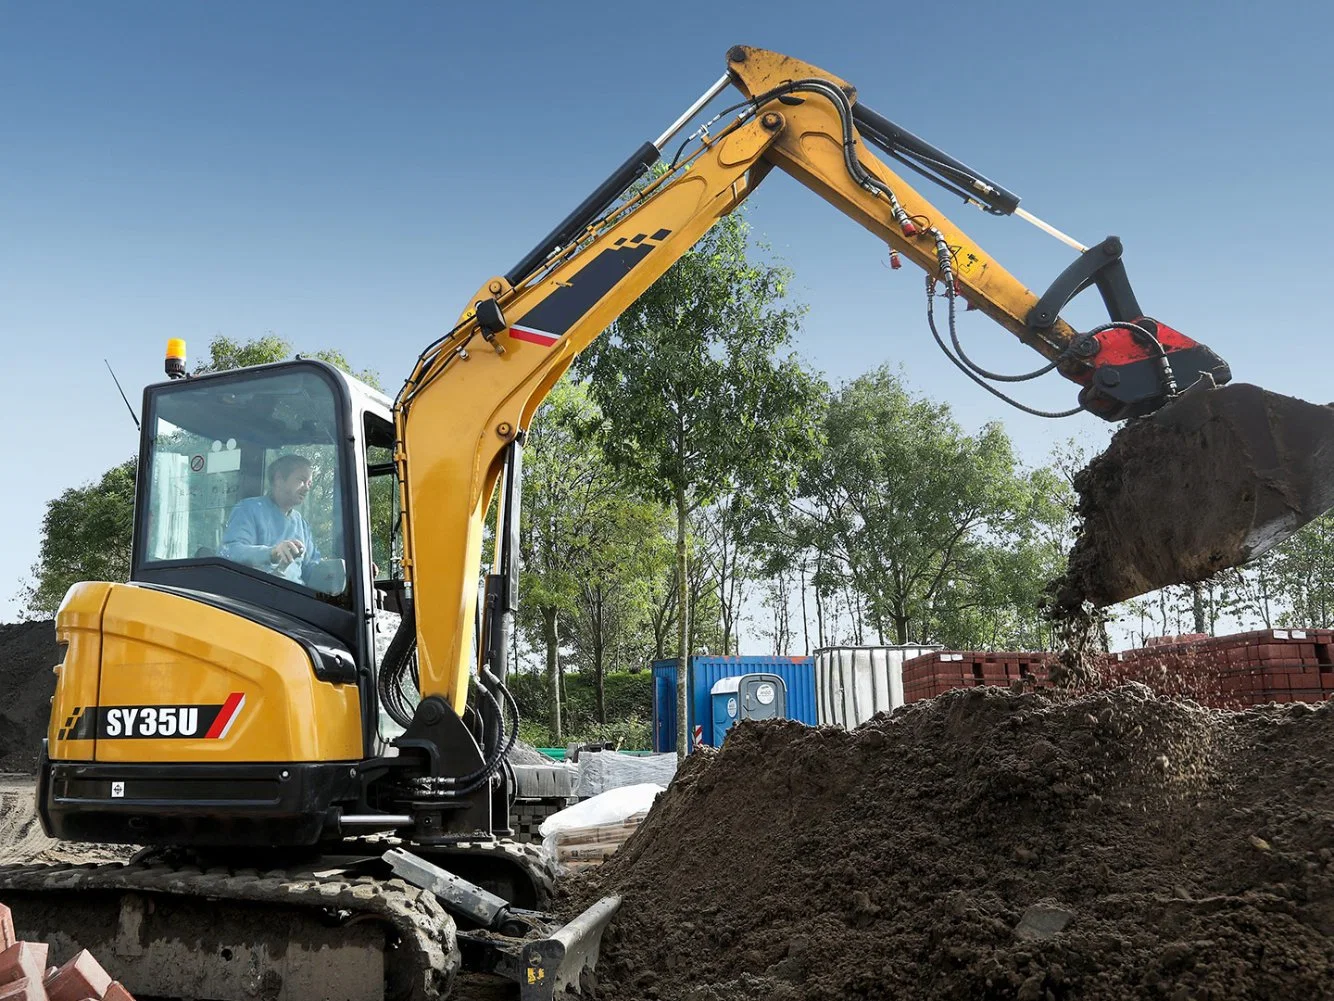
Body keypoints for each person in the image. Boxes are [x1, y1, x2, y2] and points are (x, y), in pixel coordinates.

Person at [220, 454, 324, 584]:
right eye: (302, 480)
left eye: (309, 483)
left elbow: (311, 568)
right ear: (279, 479)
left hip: (296, 597)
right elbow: (230, 552)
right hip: (256, 596)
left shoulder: (301, 524)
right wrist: (272, 553)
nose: (307, 488)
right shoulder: (248, 509)